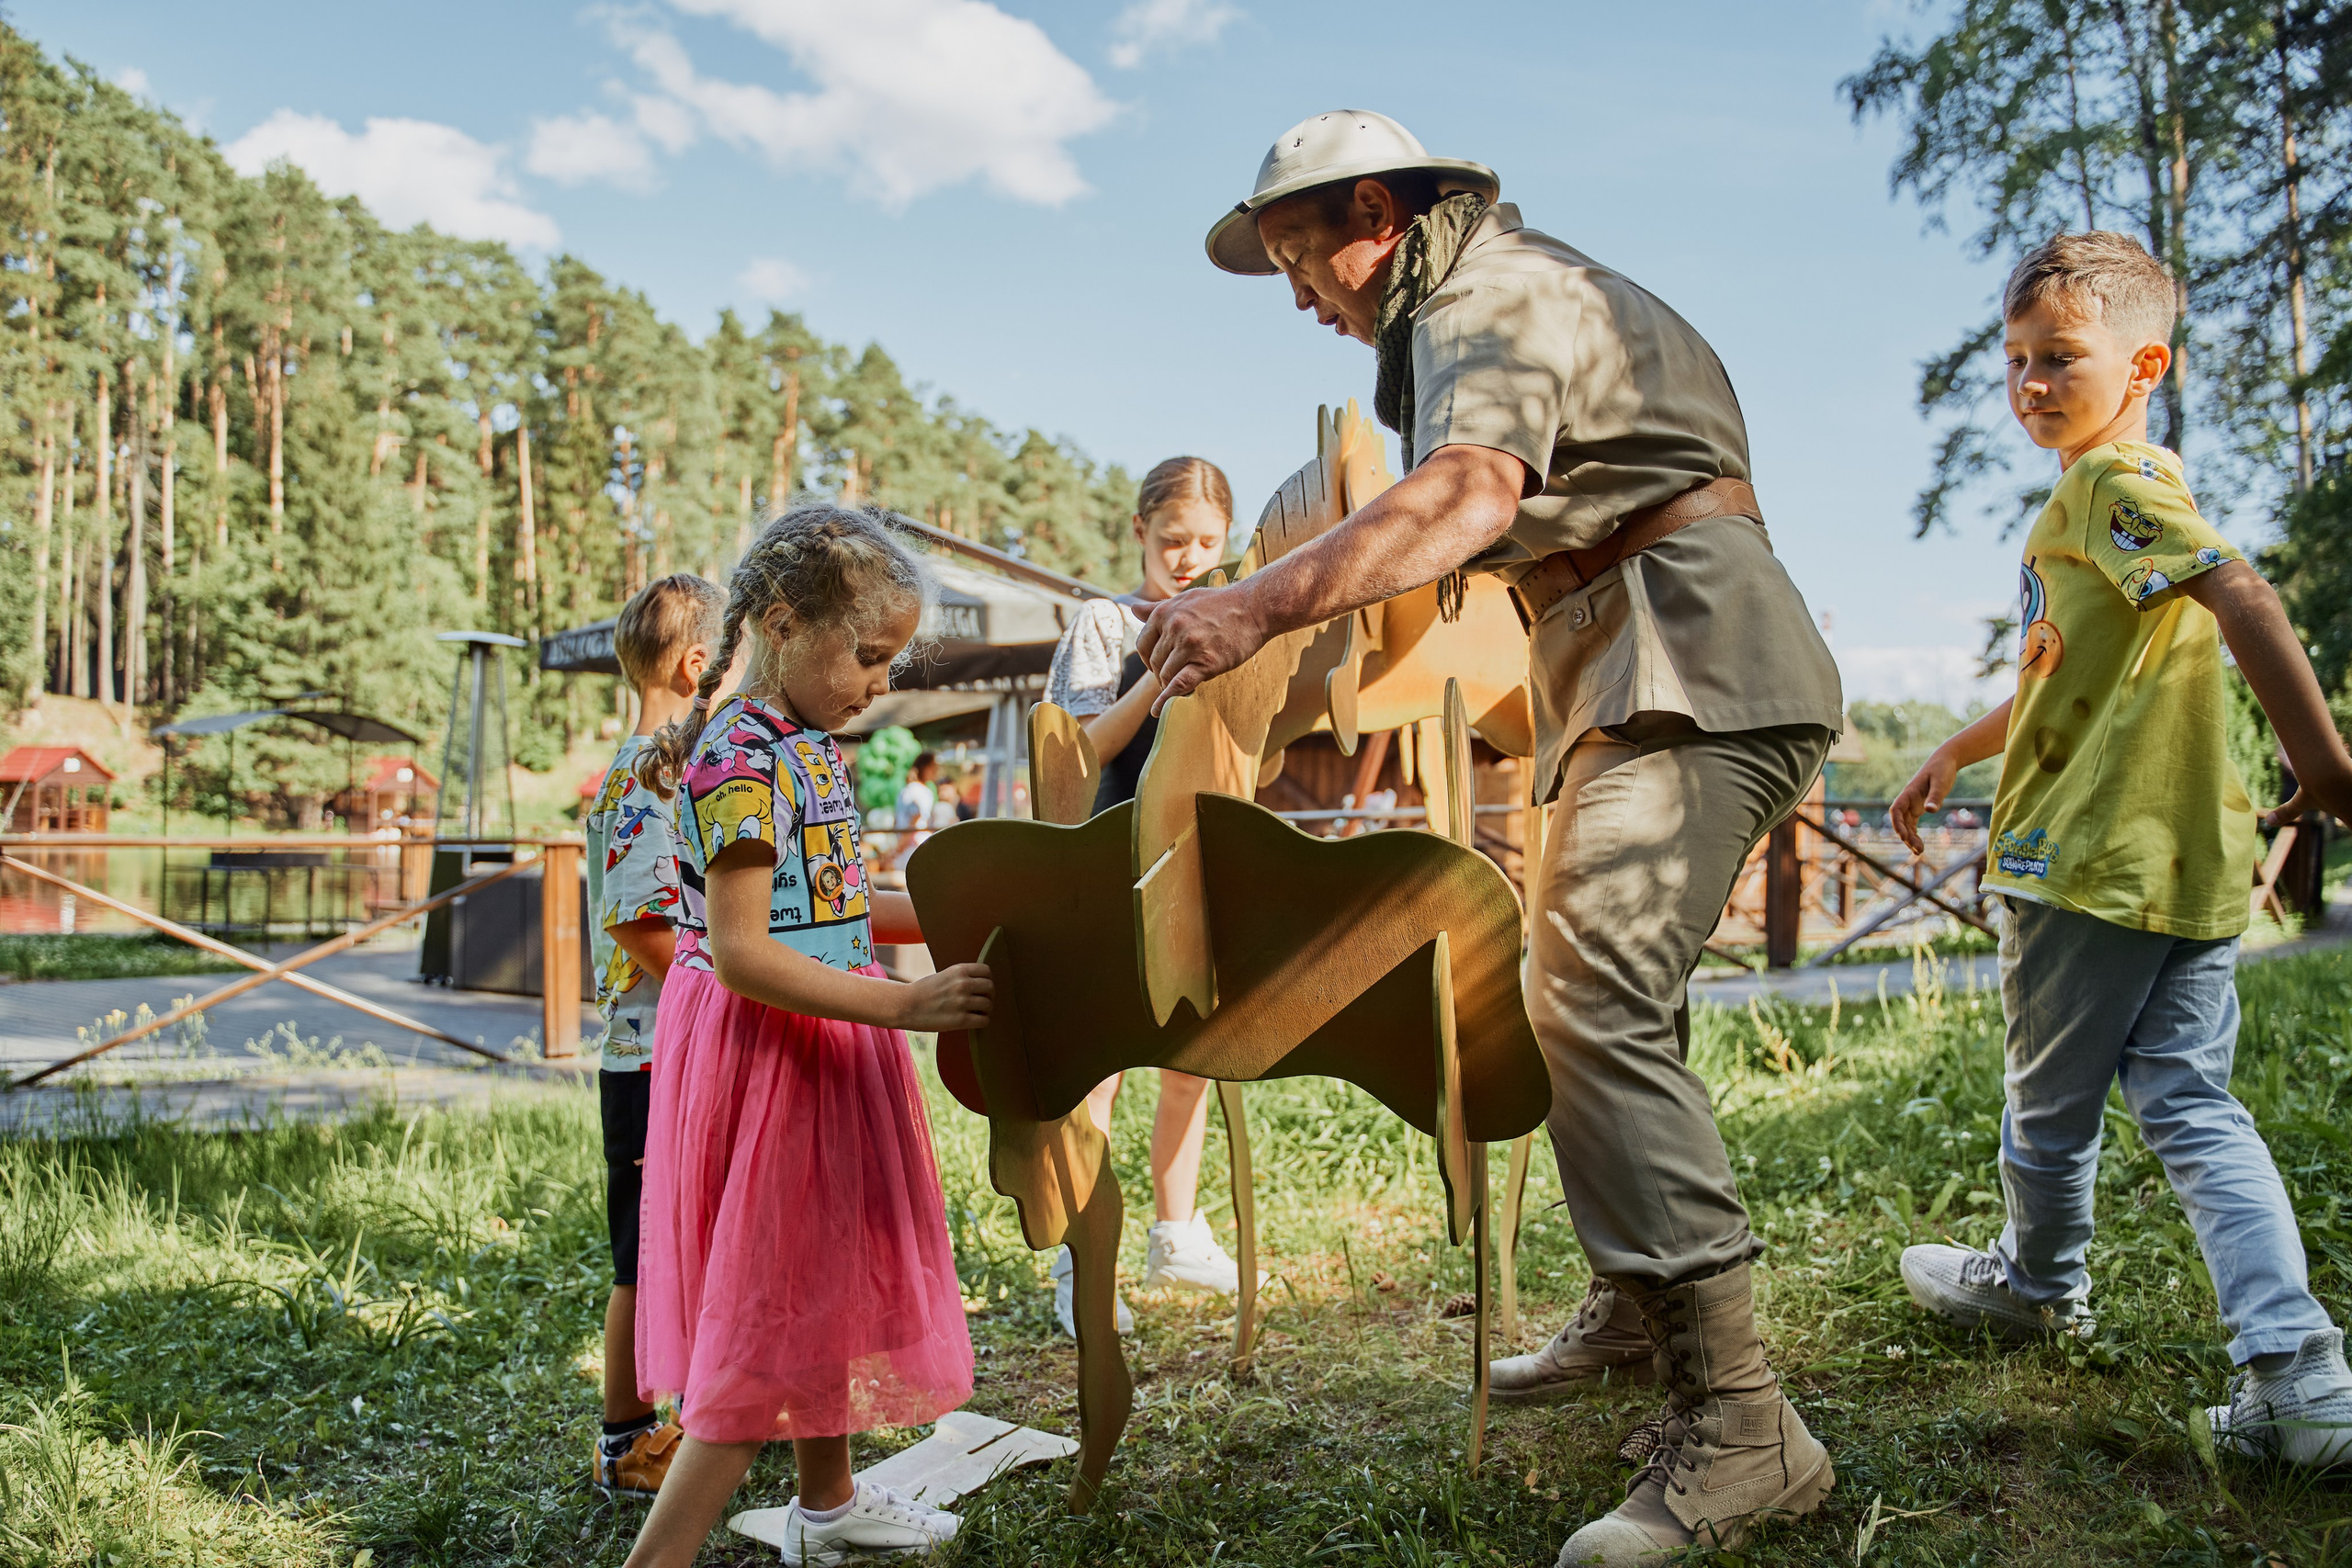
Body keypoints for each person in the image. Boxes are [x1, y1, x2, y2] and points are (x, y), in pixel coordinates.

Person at [1153, 111, 1847, 1564]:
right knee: (1601, 996)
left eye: (1301, 258)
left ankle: (1743, 1423)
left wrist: (1251, 604)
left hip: (1692, 657)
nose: (1299, 297)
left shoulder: (1485, 294)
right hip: (1626, 657)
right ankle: (1638, 1306)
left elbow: (1469, 498)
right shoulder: (1481, 301)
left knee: (1586, 997)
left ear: (1376, 213)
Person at [1890, 232, 2352, 1466]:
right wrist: (1958, 748)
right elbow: (2058, 673)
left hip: (2080, 861)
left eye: (2061, 358)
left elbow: (2246, 598)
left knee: (2047, 1111)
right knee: (2195, 1105)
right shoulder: (2136, 493)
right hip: (2183, 862)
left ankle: (2036, 1283)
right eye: (2017, 362)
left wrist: (2330, 767)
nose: (2032, 384)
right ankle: (2302, 1381)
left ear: (2145, 361)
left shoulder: (2105, 488)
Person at [621, 504, 994, 1568]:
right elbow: (742, 951)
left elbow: (828, 904)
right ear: (782, 623)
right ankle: (659, 1559)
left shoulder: (810, 741)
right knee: (763, 1315)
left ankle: (827, 1509)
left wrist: (962, 909)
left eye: (891, 661)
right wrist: (905, 1005)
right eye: (868, 655)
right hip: (772, 1050)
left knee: (818, 1275)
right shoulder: (742, 755)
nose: (881, 683)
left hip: (826, 1039)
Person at [1041, 455, 1254, 1337]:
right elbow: (1079, 750)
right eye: (1174, 540)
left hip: (1196, 863)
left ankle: (1176, 1228)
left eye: (1209, 542)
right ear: (1139, 533)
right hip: (1109, 858)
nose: (1191, 557)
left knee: (1189, 1055)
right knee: (1103, 1071)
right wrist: (1157, 675)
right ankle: (1078, 1260)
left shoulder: (1230, 621)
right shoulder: (1103, 621)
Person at [582, 572, 727, 1500]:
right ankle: (626, 1438)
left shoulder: (661, 774)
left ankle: (689, 1414)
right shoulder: (644, 779)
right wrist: (729, 983)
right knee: (639, 1257)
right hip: (646, 1060)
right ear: (697, 666)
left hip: (672, 1054)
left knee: (678, 1240)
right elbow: (642, 924)